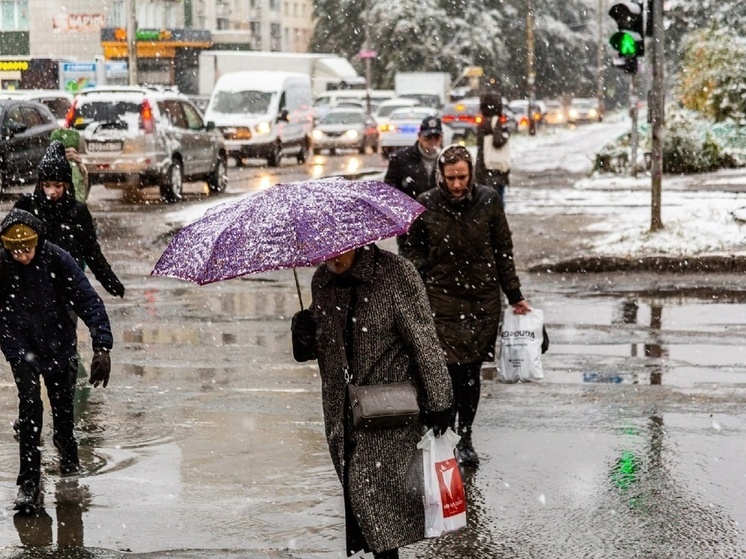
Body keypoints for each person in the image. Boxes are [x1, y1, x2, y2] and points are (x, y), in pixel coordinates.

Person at [291, 244, 454, 559]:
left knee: (373, 504)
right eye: (326, 251)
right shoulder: (321, 281)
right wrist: (302, 333)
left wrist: (439, 400)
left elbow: (423, 340)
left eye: (341, 249)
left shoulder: (395, 273)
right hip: (343, 416)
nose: (333, 258)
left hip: (388, 414)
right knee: (368, 505)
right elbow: (320, 348)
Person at [402, 144, 531, 467]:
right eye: (450, 178)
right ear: (440, 177)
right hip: (441, 300)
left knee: (471, 372)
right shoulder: (426, 205)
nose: (457, 184)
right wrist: (425, 271)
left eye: (462, 176)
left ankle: (466, 434)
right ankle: (444, 433)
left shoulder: (488, 201)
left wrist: (514, 294)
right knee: (445, 371)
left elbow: (503, 249)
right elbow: (410, 249)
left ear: (471, 173)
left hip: (482, 301)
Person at [0, 208, 113, 514]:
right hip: (19, 343)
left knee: (62, 410)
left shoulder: (57, 260)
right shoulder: (2, 265)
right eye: (15, 251)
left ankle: (68, 456)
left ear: (38, 242)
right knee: (30, 407)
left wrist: (102, 346)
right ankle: (29, 484)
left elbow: (88, 300)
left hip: (58, 342)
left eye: (27, 249)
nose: (22, 256)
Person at [14, 140, 124, 299]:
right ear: (40, 185)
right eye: (47, 185)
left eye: (57, 186)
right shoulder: (26, 206)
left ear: (66, 185)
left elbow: (91, 251)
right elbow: (7, 244)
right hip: (32, 287)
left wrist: (109, 281)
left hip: (67, 288)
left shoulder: (77, 211)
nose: (52, 192)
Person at [384, 115, 443, 200]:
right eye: (428, 137)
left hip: (437, 211)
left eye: (436, 137)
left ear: (441, 138)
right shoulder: (401, 158)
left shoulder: (447, 159)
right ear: (419, 136)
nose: (432, 141)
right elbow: (389, 189)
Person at [475, 91, 511, 203]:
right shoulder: (496, 121)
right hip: (495, 171)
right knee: (498, 200)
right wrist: (506, 135)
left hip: (482, 168)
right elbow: (497, 141)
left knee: (485, 199)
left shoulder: (482, 123)